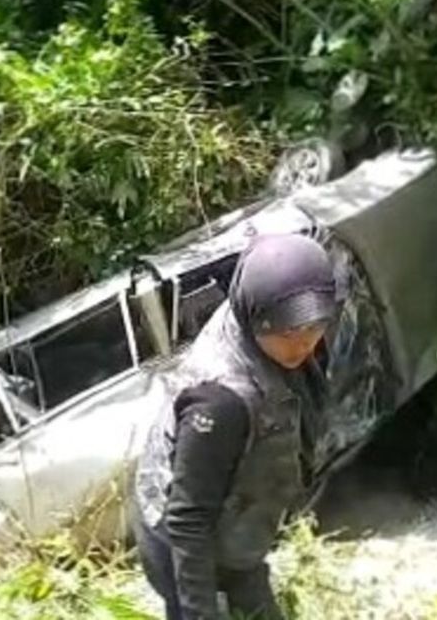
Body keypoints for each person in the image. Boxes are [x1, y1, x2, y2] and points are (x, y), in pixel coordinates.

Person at [132, 233, 338, 620]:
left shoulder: (287, 326)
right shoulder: (221, 400)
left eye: (313, 328)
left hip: (237, 527)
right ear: (253, 316)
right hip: (180, 544)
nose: (303, 345)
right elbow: (187, 521)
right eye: (288, 333)